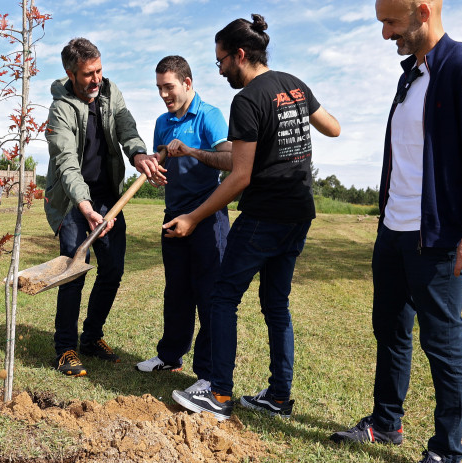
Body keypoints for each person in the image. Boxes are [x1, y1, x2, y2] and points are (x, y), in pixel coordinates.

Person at [330, 2, 462, 462]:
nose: (385, 34)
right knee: (391, 331)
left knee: (442, 344)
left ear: (423, 12)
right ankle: (385, 423)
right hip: (394, 232)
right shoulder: (409, 77)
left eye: (391, 23)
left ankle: (445, 451)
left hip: (437, 239)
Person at [167, 14, 340, 421]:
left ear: (239, 55)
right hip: (300, 213)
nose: (221, 69)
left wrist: (192, 217)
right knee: (275, 303)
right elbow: (332, 127)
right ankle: (278, 396)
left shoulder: (246, 100)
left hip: (265, 214)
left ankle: (220, 396)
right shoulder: (294, 84)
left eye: (221, 61)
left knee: (223, 297)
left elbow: (239, 176)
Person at [44, 37, 148, 377]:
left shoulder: (110, 92)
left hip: (109, 197)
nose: (96, 79)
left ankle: (91, 337)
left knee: (113, 270)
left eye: (99, 70)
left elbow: (125, 126)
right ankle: (66, 348)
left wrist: (138, 154)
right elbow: (66, 163)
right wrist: (85, 207)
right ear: (71, 73)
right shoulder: (60, 109)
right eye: (89, 73)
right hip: (74, 201)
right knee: (73, 273)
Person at [133, 56, 231, 395]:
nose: (163, 94)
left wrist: (190, 150)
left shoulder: (210, 116)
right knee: (176, 291)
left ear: (188, 83)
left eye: (169, 87)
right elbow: (163, 161)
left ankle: (207, 373)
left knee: (209, 295)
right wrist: (158, 173)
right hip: (171, 216)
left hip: (207, 217)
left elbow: (230, 159)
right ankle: (170, 356)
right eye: (159, 88)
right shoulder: (162, 121)